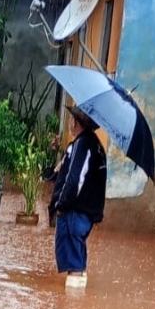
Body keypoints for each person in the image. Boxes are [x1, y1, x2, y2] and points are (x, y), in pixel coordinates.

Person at [48, 106, 107, 289]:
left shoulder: (83, 145)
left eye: (70, 118)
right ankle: (75, 307)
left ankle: (70, 306)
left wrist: (60, 204)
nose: (69, 122)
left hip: (74, 212)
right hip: (84, 213)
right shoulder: (94, 145)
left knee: (73, 265)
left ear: (75, 122)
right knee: (78, 261)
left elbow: (75, 181)